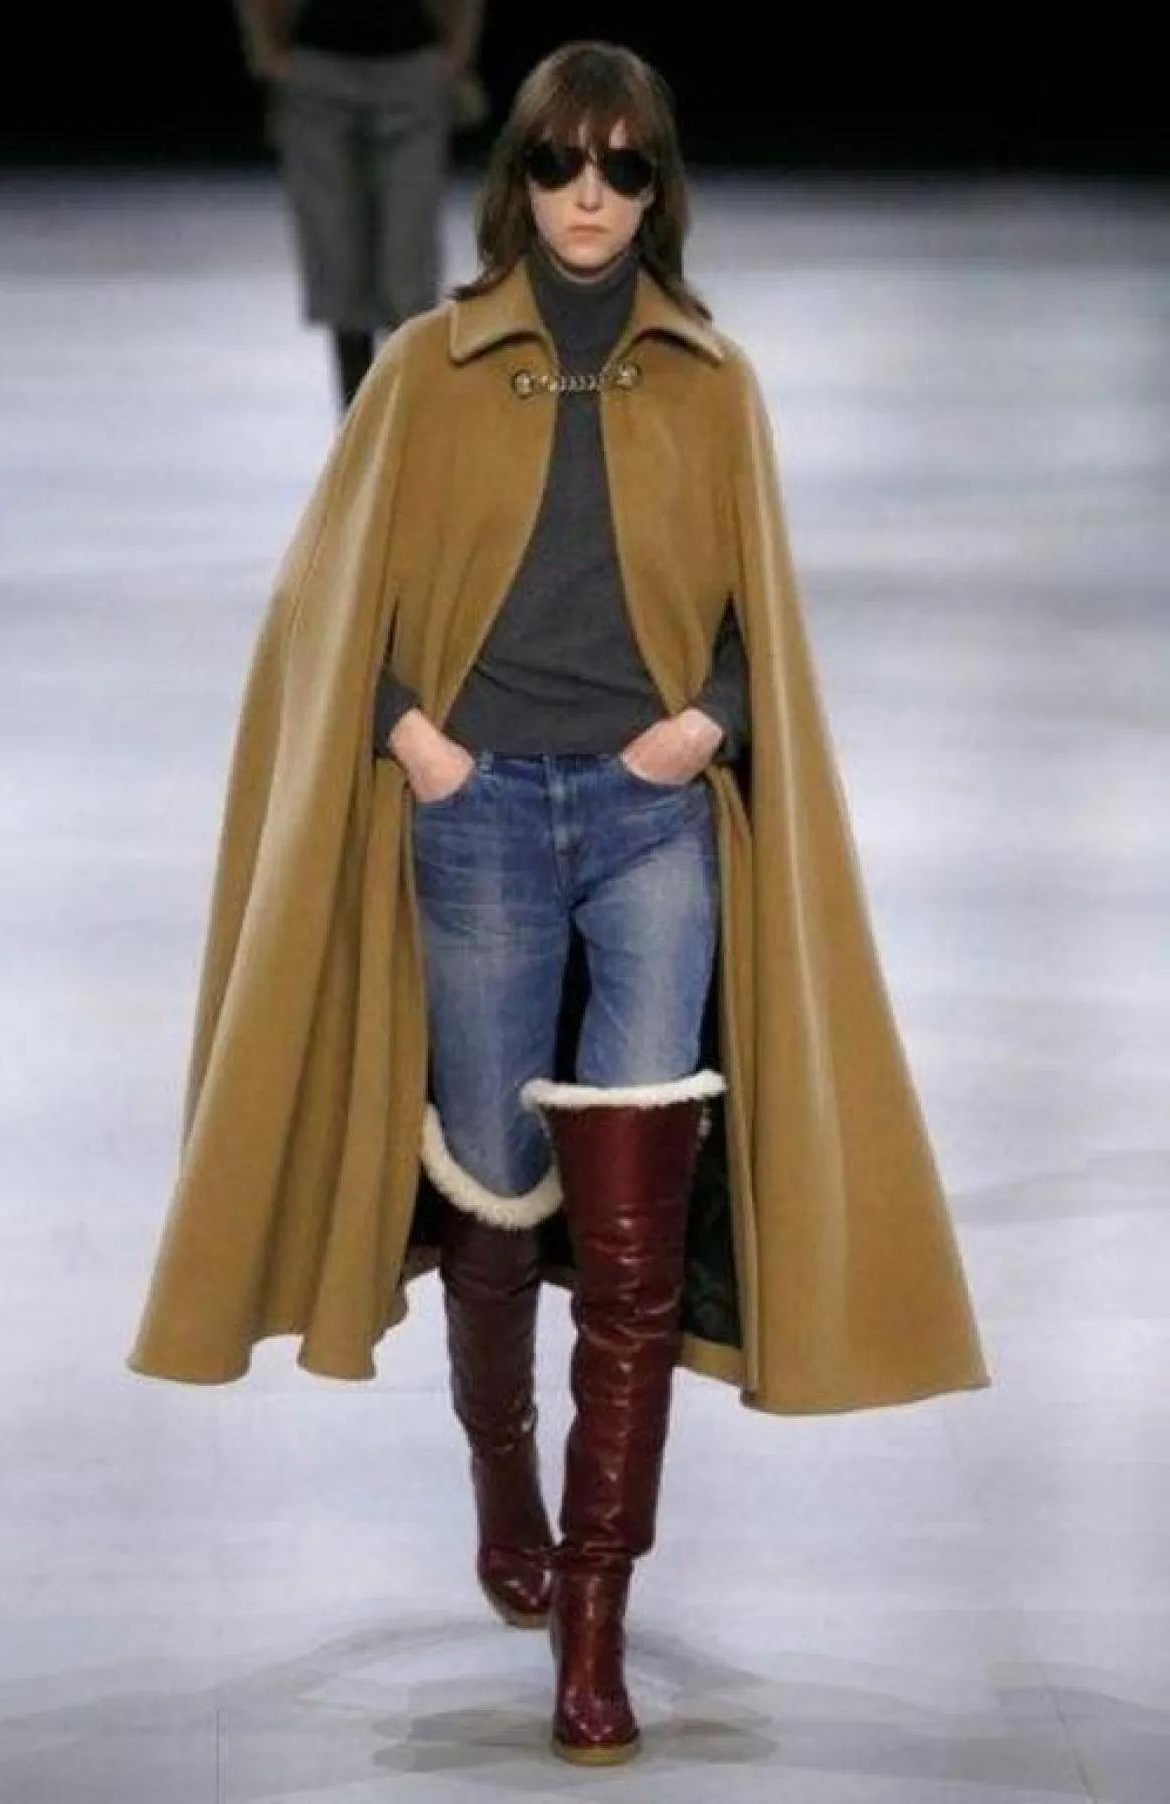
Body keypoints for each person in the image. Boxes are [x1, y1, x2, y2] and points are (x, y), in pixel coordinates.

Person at [128, 40, 990, 1767]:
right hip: (480, 817)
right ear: (514, 177)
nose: (589, 195)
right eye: (559, 164)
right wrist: (414, 739)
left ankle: (593, 1616)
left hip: (651, 816)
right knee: (494, 1190)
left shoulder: (713, 381)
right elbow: (321, 606)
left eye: (622, 166)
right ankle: (502, 1478)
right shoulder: (428, 372)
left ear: (659, 189)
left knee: (635, 1231)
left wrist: (708, 726)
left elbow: (759, 626)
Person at [232, 0, 489, 410]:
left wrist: (457, 50)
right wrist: (267, 50)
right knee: (337, 259)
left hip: (412, 66)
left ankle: (402, 427)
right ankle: (358, 425)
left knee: (409, 265)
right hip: (317, 69)